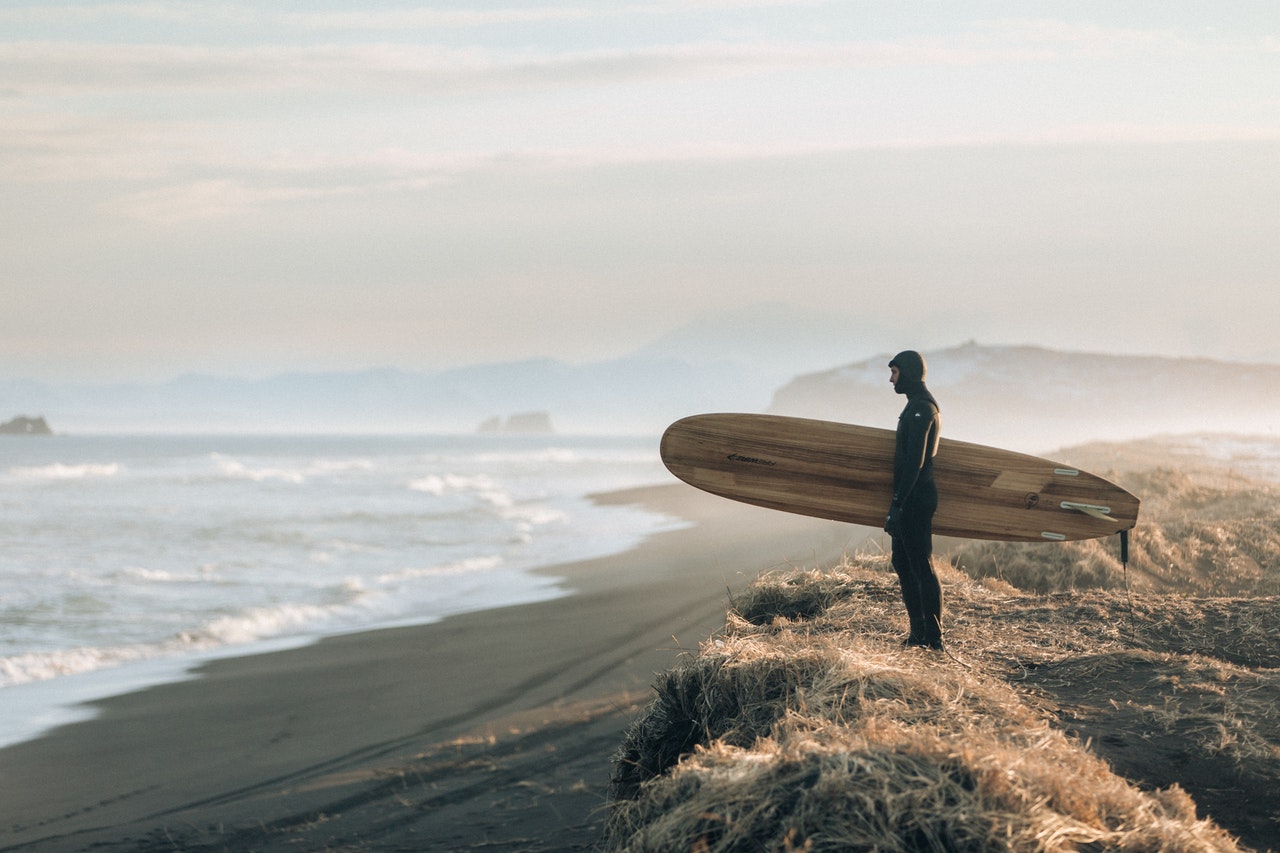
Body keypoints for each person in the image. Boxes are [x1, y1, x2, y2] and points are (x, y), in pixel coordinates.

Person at [883, 350, 943, 650]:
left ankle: (933, 638)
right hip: (909, 497)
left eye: (894, 372)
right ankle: (917, 633)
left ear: (907, 373)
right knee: (902, 561)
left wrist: (897, 504)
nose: (891, 379)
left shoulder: (922, 408)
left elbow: (915, 463)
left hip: (916, 499)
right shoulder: (914, 407)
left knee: (921, 564)